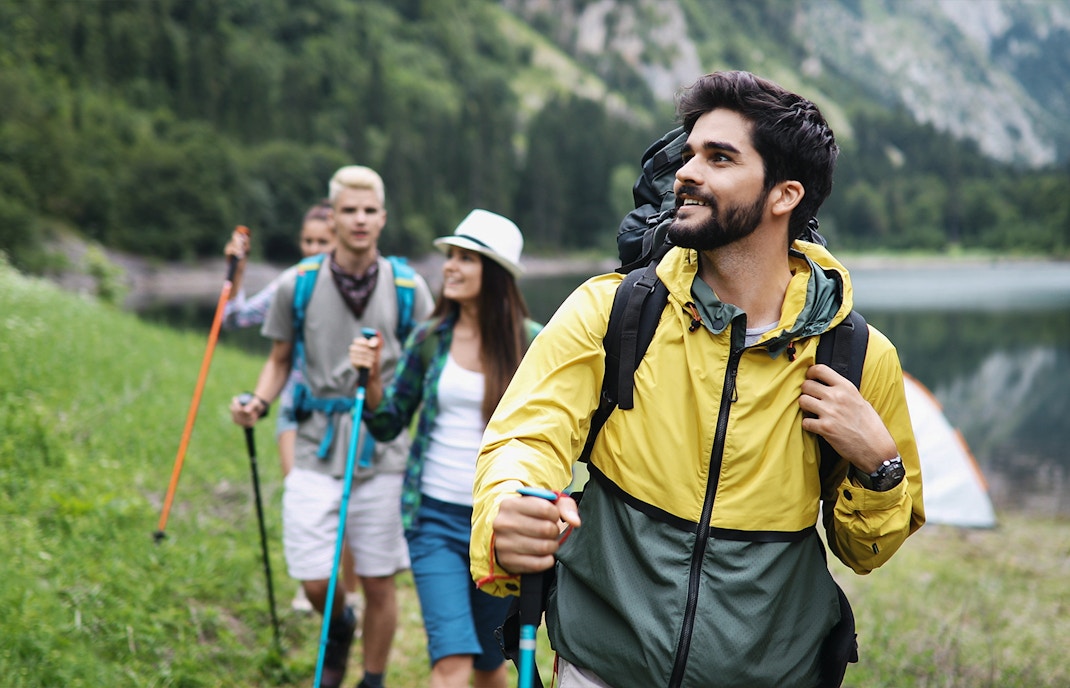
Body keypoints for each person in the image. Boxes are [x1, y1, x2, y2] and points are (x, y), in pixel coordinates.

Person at [469, 71, 926, 688]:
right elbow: (525, 438)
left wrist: (881, 468)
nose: (687, 172)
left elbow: (863, 551)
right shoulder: (615, 311)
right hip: (602, 668)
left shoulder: (857, 354)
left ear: (783, 194)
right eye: (689, 154)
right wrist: (508, 504)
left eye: (719, 158)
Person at [230, 165, 434, 688]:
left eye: (369, 211)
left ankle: (371, 678)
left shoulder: (408, 287)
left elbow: (426, 372)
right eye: (349, 210)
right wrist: (258, 400)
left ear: (383, 218)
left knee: (378, 580)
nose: (360, 220)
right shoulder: (297, 285)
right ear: (333, 216)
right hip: (315, 443)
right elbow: (279, 360)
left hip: (383, 449)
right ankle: (338, 621)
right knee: (314, 575)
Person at [349, 209, 540, 688]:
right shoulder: (429, 339)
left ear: (494, 273)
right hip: (431, 517)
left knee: (488, 663)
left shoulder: (534, 344)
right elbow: (388, 422)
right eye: (449, 257)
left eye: (465, 258)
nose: (449, 267)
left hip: (497, 524)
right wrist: (371, 381)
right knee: (451, 660)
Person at [221, 201, 362, 614]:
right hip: (294, 408)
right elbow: (234, 318)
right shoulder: (292, 283)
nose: (315, 248)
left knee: (345, 504)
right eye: (308, 241)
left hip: (344, 412)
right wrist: (237, 269)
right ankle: (315, 579)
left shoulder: (357, 286)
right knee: (302, 491)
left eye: (324, 241)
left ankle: (348, 592)